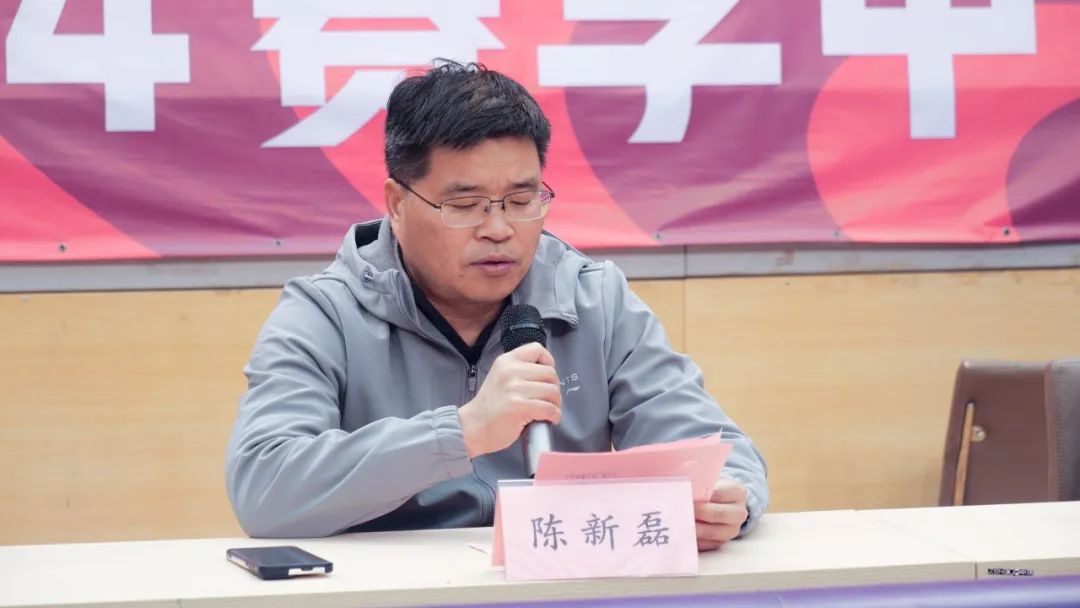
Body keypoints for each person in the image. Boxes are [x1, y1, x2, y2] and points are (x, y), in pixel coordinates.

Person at [226, 60, 768, 551]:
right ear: (397, 203)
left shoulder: (591, 298)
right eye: (465, 205)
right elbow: (264, 490)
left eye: (521, 200)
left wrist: (728, 497)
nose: (499, 229)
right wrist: (462, 432)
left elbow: (715, 445)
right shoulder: (325, 313)